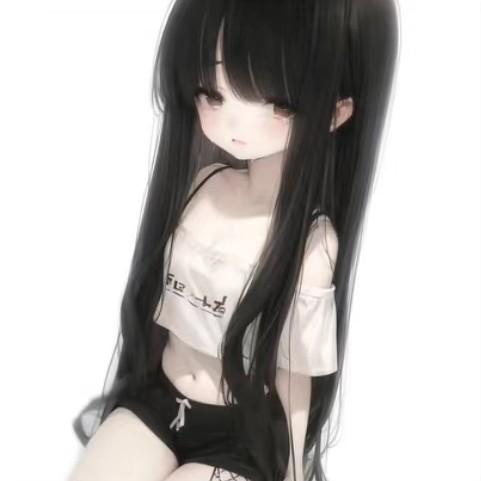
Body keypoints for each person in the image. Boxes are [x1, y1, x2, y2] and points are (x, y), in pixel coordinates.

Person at [68, 1, 399, 481]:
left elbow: (295, 373)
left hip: (241, 434)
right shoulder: (202, 186)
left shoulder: (311, 245)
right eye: (213, 92)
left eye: (278, 102)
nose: (234, 121)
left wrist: (292, 467)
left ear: (337, 111)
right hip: (158, 400)